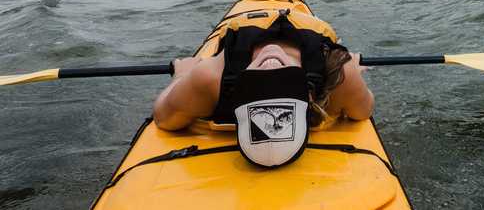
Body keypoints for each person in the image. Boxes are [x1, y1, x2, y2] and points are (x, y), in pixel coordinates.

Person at [153, 13, 374, 167]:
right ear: (307, 95)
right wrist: (352, 71)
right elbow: (363, 111)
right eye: (284, 79)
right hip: (303, 24)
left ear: (237, 93)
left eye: (257, 84)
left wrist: (181, 75)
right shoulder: (339, 74)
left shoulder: (211, 76)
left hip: (251, 22)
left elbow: (164, 118)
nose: (271, 63)